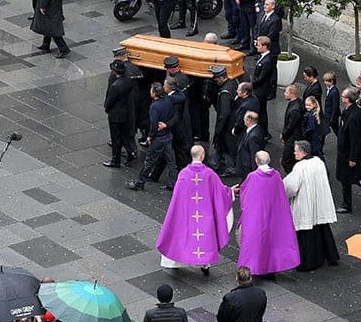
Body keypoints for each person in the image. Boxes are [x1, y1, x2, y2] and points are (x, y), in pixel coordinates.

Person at [156, 145, 232, 275]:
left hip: (187, 213)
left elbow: (177, 196)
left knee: (181, 236)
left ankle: (178, 259)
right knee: (205, 239)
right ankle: (205, 264)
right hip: (205, 214)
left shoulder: (184, 174)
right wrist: (230, 191)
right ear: (202, 156)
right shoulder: (209, 174)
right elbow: (220, 191)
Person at [235, 150, 300, 275]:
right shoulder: (276, 175)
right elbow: (281, 195)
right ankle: (271, 268)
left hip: (257, 216)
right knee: (272, 241)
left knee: (255, 242)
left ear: (256, 161)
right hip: (273, 215)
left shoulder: (253, 177)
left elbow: (246, 195)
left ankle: (254, 268)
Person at [283, 140, 339, 271]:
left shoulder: (300, 167)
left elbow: (291, 187)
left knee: (306, 233)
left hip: (305, 202)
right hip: (318, 200)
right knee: (322, 228)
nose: (294, 153)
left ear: (302, 152)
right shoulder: (318, 161)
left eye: (296, 151)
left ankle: (308, 262)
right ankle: (330, 255)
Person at [128, 83, 177, 191]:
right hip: (168, 135)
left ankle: (140, 182)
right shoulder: (169, 100)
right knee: (170, 160)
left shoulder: (154, 107)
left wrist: (150, 136)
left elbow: (154, 125)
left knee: (149, 161)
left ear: (154, 94)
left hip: (158, 138)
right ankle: (172, 183)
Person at [335, 86, 361, 213]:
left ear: (347, 100)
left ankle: (346, 205)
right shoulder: (350, 111)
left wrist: (352, 158)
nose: (341, 98)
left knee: (346, 179)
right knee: (355, 178)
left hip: (348, 154)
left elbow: (355, 139)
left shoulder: (354, 116)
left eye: (343, 96)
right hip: (345, 151)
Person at [104, 61, 137, 168]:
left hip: (116, 115)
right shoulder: (128, 81)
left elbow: (110, 101)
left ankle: (115, 160)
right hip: (126, 112)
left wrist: (107, 109)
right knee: (123, 135)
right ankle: (130, 152)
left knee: (116, 138)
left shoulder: (115, 86)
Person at [233, 111, 267, 182]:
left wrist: (255, 173)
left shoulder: (253, 137)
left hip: (247, 167)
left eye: (244, 118)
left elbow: (254, 155)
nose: (243, 120)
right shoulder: (257, 129)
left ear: (249, 121)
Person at [279, 84, 305, 173]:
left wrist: (284, 134)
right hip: (294, 136)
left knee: (286, 161)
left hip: (293, 138)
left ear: (292, 94)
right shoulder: (297, 104)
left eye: (286, 92)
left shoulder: (295, 110)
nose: (284, 94)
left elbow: (291, 126)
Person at [251, 36, 275, 130]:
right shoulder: (263, 57)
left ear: (264, 47)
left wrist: (251, 85)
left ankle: (264, 132)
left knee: (261, 112)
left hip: (261, 90)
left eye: (258, 45)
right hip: (258, 88)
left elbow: (262, 78)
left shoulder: (267, 61)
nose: (256, 46)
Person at [319, 71, 340, 155]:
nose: (326, 83)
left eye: (328, 81)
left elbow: (335, 106)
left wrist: (332, 118)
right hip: (329, 115)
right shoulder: (330, 90)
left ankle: (319, 148)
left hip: (330, 116)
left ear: (332, 81)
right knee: (336, 131)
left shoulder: (334, 92)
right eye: (325, 81)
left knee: (323, 132)